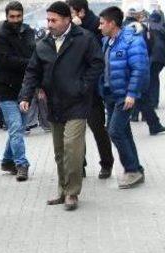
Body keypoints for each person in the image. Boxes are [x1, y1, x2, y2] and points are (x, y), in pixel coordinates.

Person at [19, 1, 104, 211]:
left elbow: (97, 63)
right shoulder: (43, 44)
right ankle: (63, 190)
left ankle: (72, 193)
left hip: (77, 103)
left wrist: (82, 86)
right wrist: (25, 96)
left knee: (72, 149)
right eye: (48, 19)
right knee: (59, 151)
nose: (49, 24)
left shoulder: (84, 38)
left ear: (67, 19)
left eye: (53, 20)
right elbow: (32, 72)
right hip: (54, 104)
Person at [99, 6, 147, 189]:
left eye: (102, 23)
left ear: (112, 23)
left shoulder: (132, 41)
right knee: (123, 131)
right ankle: (136, 169)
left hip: (125, 96)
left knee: (115, 131)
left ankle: (132, 170)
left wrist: (132, 94)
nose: (99, 26)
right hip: (111, 95)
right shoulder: (107, 41)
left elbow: (139, 69)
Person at [67, 0, 115, 179]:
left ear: (80, 12)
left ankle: (106, 163)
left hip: (93, 88)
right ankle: (80, 164)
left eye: (70, 12)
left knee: (97, 127)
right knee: (76, 128)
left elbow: (95, 51)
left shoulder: (97, 25)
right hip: (74, 86)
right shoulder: (70, 28)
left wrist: (79, 30)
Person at [0, 1, 36, 181]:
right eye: (12, 16)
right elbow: (6, 61)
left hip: (25, 88)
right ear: (6, 16)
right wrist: (31, 63)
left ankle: (6, 160)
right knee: (16, 127)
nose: (15, 20)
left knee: (18, 128)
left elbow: (35, 52)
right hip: (6, 89)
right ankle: (21, 163)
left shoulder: (28, 32)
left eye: (18, 16)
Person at [148, 10, 165, 109]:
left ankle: (153, 102)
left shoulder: (151, 28)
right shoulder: (162, 27)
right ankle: (154, 101)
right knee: (154, 77)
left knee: (152, 78)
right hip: (161, 57)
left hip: (155, 56)